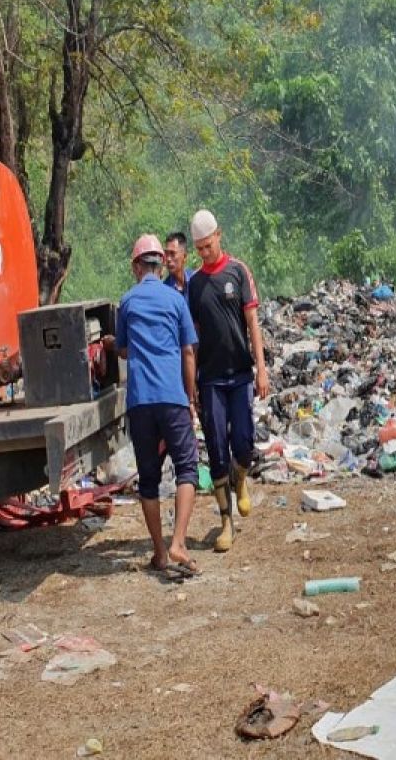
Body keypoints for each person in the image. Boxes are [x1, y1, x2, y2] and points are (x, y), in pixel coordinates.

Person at [111, 234, 201, 580]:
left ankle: (161, 553)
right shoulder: (175, 301)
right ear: (160, 263)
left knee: (148, 480)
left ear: (137, 267)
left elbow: (123, 349)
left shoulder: (128, 302)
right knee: (187, 468)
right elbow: (188, 352)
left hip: (140, 402)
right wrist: (190, 398)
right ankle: (179, 541)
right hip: (172, 397)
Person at [186, 209, 270, 552]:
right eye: (199, 249)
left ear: (219, 235)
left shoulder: (239, 271)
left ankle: (241, 478)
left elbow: (252, 323)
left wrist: (261, 369)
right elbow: (190, 338)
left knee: (245, 442)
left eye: (208, 245)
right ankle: (225, 522)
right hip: (210, 378)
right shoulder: (194, 285)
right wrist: (189, 384)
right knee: (217, 446)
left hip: (240, 373)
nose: (205, 253)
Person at [163, 231, 195, 298]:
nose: (168, 259)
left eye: (172, 253)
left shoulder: (195, 280)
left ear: (185, 256)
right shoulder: (165, 290)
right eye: (166, 253)